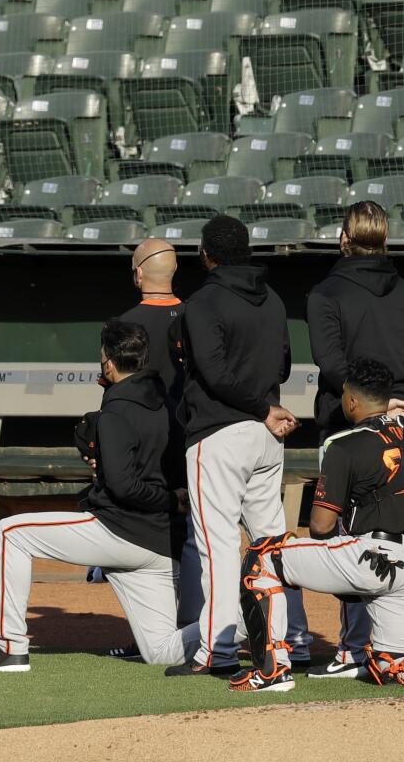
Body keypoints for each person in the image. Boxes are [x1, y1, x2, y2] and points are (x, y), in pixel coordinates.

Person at [231, 358, 404, 693]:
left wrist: (343, 578)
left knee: (262, 555)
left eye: (344, 394)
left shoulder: (345, 443)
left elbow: (321, 524)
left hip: (372, 557)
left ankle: (270, 674)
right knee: (392, 665)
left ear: (353, 401)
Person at [0, 321, 200, 673]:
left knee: (11, 532)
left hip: (121, 532)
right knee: (161, 651)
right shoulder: (166, 406)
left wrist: (161, 497)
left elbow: (123, 487)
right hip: (158, 546)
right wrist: (170, 500)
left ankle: (10, 648)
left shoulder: (117, 411)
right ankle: (238, 619)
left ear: (109, 364)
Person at [169, 216, 309, 677]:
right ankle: (285, 646)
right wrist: (264, 407)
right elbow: (285, 367)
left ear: (206, 254)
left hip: (221, 433)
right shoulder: (271, 299)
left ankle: (217, 650)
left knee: (218, 546)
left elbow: (211, 372)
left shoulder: (203, 301)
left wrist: (256, 406)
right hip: (267, 437)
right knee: (271, 544)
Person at [306, 201, 404, 680]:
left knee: (349, 539)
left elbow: (330, 365)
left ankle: (356, 649)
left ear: (343, 239)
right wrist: (396, 403)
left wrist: (373, 406)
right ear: (385, 239)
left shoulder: (326, 291)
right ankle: (401, 644)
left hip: (349, 424)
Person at [118, 239, 202, 640]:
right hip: (194, 435)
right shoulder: (195, 315)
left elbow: (112, 390)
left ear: (138, 274)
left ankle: (159, 627)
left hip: (144, 443)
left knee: (150, 528)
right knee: (195, 532)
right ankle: (193, 624)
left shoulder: (125, 325)